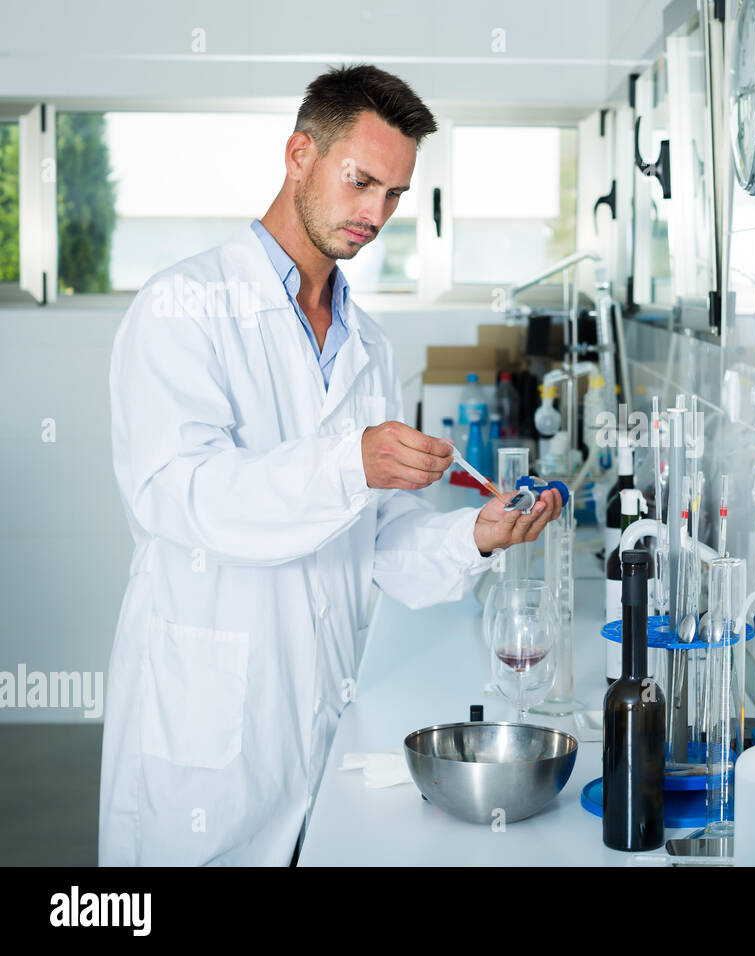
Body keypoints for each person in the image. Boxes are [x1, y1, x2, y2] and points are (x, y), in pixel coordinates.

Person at [99, 65, 561, 865]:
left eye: (395, 195)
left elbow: (375, 537)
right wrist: (351, 463)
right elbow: (180, 497)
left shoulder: (368, 346)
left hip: (319, 713)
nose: (375, 214)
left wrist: (472, 538)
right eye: (361, 181)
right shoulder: (185, 307)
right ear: (298, 155)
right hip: (208, 726)